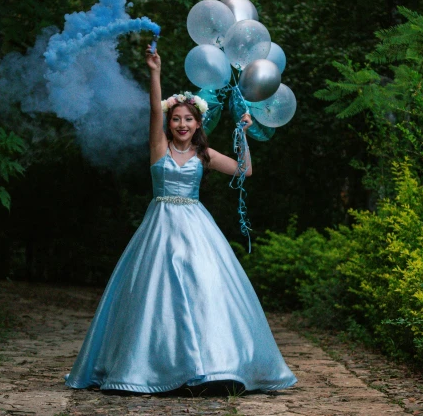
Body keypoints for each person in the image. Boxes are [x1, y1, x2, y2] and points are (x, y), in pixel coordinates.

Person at [64, 46, 297, 393]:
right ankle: (151, 368)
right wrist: (155, 72)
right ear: (169, 123)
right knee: (153, 295)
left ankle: (212, 367)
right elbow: (153, 112)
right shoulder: (159, 148)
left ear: (198, 123)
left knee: (205, 288)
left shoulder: (204, 155)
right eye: (176, 119)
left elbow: (244, 171)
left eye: (188, 119)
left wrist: (243, 133)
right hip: (159, 226)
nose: (182, 124)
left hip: (196, 226)